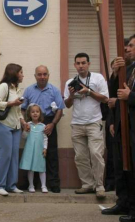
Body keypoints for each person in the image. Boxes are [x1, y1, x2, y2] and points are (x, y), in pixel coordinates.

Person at [64, 52, 109, 199]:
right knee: (80, 157)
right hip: (77, 123)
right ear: (75, 65)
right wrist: (71, 95)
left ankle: (99, 185)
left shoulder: (98, 78)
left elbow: (105, 98)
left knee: (96, 154)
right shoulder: (70, 82)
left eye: (84, 63)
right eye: (78, 63)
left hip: (94, 122)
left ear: (89, 64)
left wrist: (88, 91)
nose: (81, 66)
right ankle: (87, 184)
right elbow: (67, 104)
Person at [101, 35, 135, 222]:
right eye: (127, 46)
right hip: (122, 125)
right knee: (121, 166)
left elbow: (126, 96)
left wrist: (130, 96)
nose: (127, 49)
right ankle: (123, 202)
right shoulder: (128, 68)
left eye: (131, 46)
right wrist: (115, 73)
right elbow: (114, 94)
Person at [21, 65, 64, 193]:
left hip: (49, 122)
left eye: (45, 74)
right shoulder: (28, 90)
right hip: (31, 124)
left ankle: (53, 183)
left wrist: (53, 124)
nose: (42, 77)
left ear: (48, 75)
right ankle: (30, 184)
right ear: (35, 76)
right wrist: (24, 123)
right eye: (39, 74)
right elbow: (23, 109)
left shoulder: (54, 90)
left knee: (51, 154)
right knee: (31, 152)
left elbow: (60, 109)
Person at [0, 63, 27, 196]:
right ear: (14, 73)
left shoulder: (16, 88)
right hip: (2, 124)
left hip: (15, 126)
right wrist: (12, 103)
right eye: (21, 72)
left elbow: (17, 111)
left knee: (13, 157)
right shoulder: (3, 86)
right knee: (3, 156)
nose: (23, 75)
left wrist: (23, 121)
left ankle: (11, 185)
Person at [19, 104, 48, 193]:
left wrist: (45, 148)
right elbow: (24, 137)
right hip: (30, 150)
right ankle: (31, 185)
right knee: (30, 168)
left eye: (37, 111)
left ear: (40, 113)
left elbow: (45, 138)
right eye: (33, 112)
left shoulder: (43, 126)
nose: (35, 113)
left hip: (39, 150)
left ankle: (43, 185)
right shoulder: (28, 125)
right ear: (29, 114)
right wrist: (25, 130)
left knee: (41, 167)